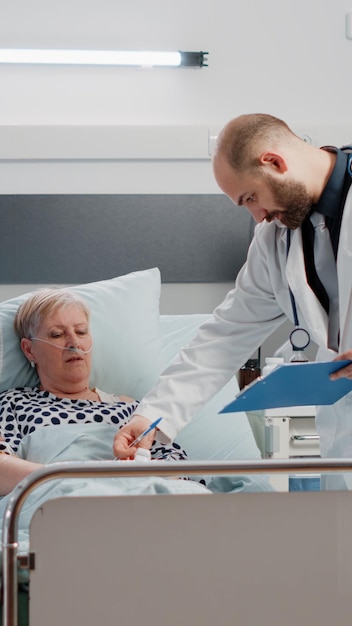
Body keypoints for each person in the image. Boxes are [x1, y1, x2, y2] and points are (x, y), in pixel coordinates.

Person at [113, 113, 352, 489]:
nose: (258, 216)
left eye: (251, 197)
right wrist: (153, 417)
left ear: (274, 162)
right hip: (343, 445)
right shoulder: (275, 238)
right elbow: (224, 337)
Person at [0, 289, 187, 496]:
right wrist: (85, 479)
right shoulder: (13, 404)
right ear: (29, 350)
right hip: (60, 504)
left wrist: (135, 473)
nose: (74, 343)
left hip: (138, 500)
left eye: (81, 331)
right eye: (57, 335)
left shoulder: (131, 408)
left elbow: (179, 470)